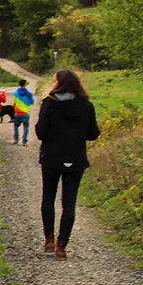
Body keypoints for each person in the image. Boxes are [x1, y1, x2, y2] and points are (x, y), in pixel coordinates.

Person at [34, 69, 101, 259]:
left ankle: (49, 239)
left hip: (51, 157)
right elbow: (93, 134)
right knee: (69, 203)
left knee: (48, 197)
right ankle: (62, 245)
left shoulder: (50, 103)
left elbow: (41, 132)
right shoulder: (87, 105)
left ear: (58, 83)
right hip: (76, 158)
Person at [11, 79, 35, 145]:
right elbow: (33, 102)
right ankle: (24, 141)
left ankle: (16, 139)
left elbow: (14, 102)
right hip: (26, 113)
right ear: (25, 84)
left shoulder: (15, 93)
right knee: (26, 127)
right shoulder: (29, 94)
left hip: (17, 112)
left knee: (15, 125)